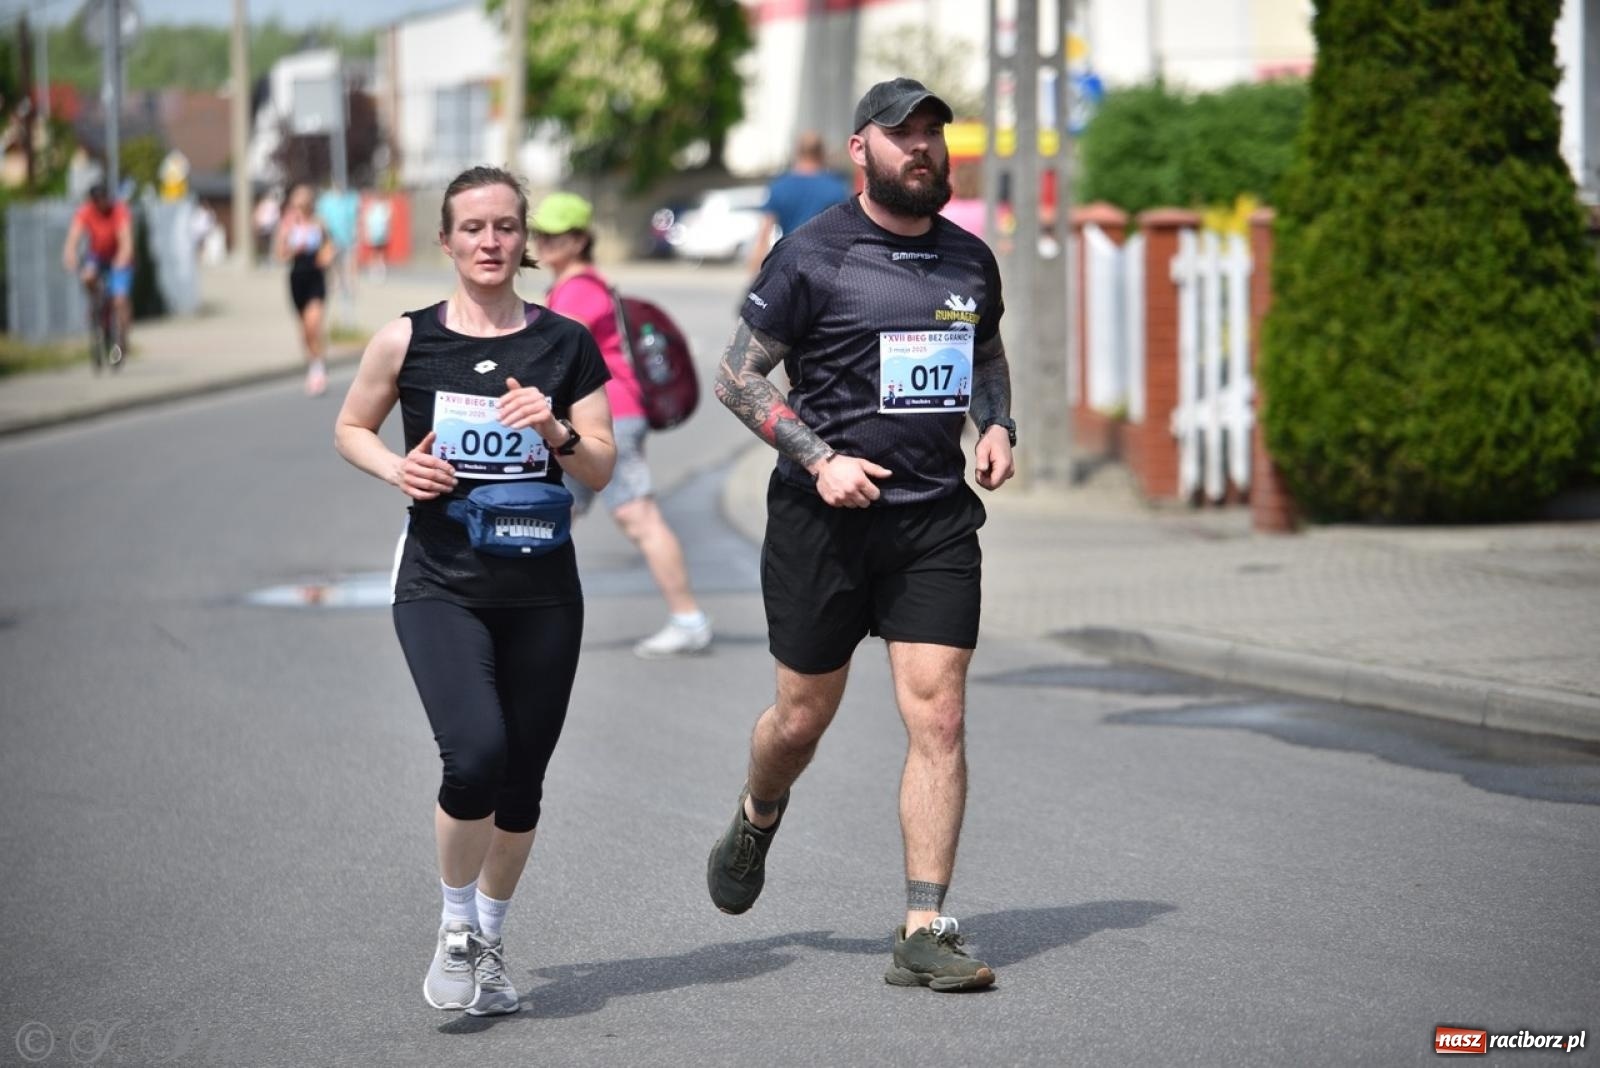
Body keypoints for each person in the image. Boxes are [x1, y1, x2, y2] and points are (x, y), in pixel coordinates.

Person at [706, 78, 1017, 992]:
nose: (921, 146)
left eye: (932, 132)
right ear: (860, 149)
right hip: (824, 524)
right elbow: (736, 378)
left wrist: (997, 425)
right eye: (901, 132)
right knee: (802, 718)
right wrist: (818, 459)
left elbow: (985, 351)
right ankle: (759, 810)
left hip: (933, 522)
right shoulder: (813, 254)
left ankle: (924, 927)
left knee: (941, 716)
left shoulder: (970, 260)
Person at [333, 165, 616, 1017]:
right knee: (475, 754)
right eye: (473, 228)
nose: (490, 241)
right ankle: (455, 924)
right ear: (446, 240)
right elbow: (350, 427)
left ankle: (489, 941)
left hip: (542, 591)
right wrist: (399, 468)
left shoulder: (565, 342)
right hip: (440, 582)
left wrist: (555, 429)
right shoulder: (406, 340)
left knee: (522, 783)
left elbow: (601, 465)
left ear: (525, 238)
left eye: (505, 227)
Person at [530, 191, 715, 659]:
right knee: (551, 517)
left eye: (556, 235)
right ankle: (525, 617)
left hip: (610, 419)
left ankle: (689, 619)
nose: (544, 242)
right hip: (585, 421)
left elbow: (552, 356)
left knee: (638, 517)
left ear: (580, 239)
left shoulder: (577, 290)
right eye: (540, 233)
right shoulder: (577, 285)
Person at [744, 130, 851, 274]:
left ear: (797, 152)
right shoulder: (835, 187)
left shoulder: (779, 186)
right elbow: (846, 233)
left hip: (788, 265)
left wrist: (755, 276)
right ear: (822, 153)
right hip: (824, 267)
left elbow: (763, 235)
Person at [61, 182, 134, 368]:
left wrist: (122, 258)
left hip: (118, 256)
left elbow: (126, 241)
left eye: (103, 199)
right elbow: (74, 236)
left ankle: (122, 340)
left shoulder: (119, 211)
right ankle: (95, 303)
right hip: (98, 256)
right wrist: (70, 254)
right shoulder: (86, 211)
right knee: (87, 275)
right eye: (97, 201)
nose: (101, 204)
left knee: (120, 300)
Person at [275, 183, 334, 396]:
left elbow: (329, 246)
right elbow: (280, 254)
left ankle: (318, 369)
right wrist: (293, 248)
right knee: (304, 330)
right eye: (297, 203)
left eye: (304, 202)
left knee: (313, 324)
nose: (301, 207)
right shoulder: (288, 226)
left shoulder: (318, 223)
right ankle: (313, 363)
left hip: (315, 277)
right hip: (297, 277)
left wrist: (326, 257)